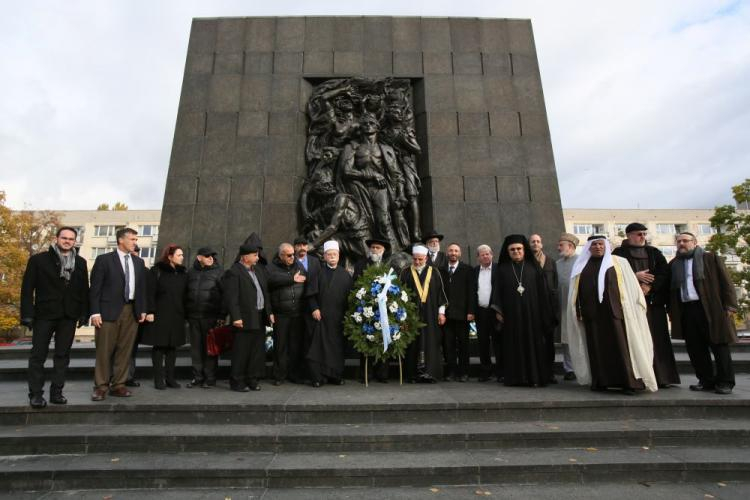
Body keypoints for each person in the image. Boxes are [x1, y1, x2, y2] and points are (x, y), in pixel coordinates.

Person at [565, 235, 657, 395]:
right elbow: (575, 292)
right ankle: (601, 381)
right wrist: (579, 312)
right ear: (588, 248)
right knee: (596, 349)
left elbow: (631, 287)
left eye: (601, 244)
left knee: (621, 349)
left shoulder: (619, 262)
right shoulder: (581, 265)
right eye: (594, 245)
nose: (598, 247)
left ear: (606, 245)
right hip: (592, 316)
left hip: (616, 315)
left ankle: (628, 383)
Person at [21, 227, 89, 409]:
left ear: (75, 241)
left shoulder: (81, 263)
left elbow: (84, 291)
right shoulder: (38, 260)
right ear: (56, 238)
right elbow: (27, 289)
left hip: (68, 315)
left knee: (62, 355)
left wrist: (84, 313)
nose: (67, 241)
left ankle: (57, 392)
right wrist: (27, 314)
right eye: (64, 238)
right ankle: (35, 394)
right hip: (44, 314)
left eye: (71, 239)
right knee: (38, 355)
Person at [668, 232, 738, 395]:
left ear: (695, 242)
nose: (682, 244)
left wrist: (730, 306)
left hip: (712, 309)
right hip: (687, 310)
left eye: (685, 241)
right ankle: (706, 380)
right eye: (679, 241)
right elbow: (670, 291)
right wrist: (671, 311)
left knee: (719, 346)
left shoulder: (710, 258)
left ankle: (725, 382)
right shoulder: (674, 264)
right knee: (695, 348)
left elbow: (726, 282)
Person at [613, 223, 680, 387]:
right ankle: (639, 378)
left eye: (644, 234)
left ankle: (662, 377)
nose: (642, 237)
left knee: (657, 339)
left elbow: (664, 273)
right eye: (638, 234)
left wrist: (650, 287)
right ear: (629, 235)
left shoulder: (654, 252)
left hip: (653, 304)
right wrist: (635, 278)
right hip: (630, 304)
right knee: (635, 339)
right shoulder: (617, 254)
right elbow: (613, 274)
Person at [89, 227, 148, 401]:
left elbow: (141, 288)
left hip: (132, 311)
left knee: (125, 350)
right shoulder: (104, 260)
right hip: (107, 311)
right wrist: (94, 312)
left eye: (136, 240)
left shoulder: (139, 262)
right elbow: (95, 289)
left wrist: (143, 309)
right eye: (133, 239)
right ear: (121, 240)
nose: (135, 242)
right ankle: (101, 387)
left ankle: (119, 385)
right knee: (104, 350)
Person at [491, 235, 554, 387]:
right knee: (513, 346)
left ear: (524, 250)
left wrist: (545, 313)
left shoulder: (534, 268)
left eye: (519, 249)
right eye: (512, 249)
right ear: (508, 251)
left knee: (534, 346)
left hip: (533, 316)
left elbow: (544, 293)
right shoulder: (503, 269)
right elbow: (497, 292)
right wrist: (498, 311)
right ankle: (516, 378)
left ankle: (534, 377)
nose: (516, 252)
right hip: (511, 317)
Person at [224, 243, 274, 392]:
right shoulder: (234, 272)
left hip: (259, 317)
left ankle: (252, 379)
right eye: (255, 255)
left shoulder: (258, 270)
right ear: (245, 257)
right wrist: (236, 317)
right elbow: (231, 298)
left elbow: (265, 293)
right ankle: (237, 381)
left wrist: (269, 312)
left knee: (256, 352)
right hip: (244, 319)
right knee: (241, 352)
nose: (257, 258)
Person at [305, 240, 353, 387]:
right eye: (329, 254)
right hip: (320, 318)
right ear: (324, 256)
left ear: (338, 256)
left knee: (336, 349)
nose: (332, 257)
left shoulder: (346, 275)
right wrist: (314, 309)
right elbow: (310, 294)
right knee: (317, 349)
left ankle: (335, 376)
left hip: (338, 319)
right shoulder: (317, 273)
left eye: (335, 254)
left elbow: (350, 298)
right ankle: (318, 378)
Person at [140, 244, 188, 389]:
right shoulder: (156, 271)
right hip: (160, 315)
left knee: (172, 348)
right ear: (170, 256)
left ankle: (170, 379)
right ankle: (158, 379)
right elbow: (150, 292)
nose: (182, 257)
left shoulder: (183, 273)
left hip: (177, 315)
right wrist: (150, 311)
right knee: (159, 347)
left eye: (182, 255)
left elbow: (185, 295)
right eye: (179, 255)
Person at [400, 244, 448, 383]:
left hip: (431, 314)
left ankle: (430, 373)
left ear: (426, 258)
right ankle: (413, 374)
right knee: (412, 343)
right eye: (415, 259)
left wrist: (441, 313)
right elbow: (398, 294)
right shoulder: (405, 272)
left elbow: (441, 294)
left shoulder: (435, 272)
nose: (417, 262)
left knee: (431, 342)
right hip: (410, 315)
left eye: (420, 259)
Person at [267, 243, 308, 385]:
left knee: (295, 345)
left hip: (297, 312)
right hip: (281, 313)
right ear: (281, 255)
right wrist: (291, 279)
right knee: (280, 346)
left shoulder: (299, 266)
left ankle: (294, 374)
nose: (292, 257)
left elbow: (305, 279)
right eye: (289, 255)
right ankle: (279, 375)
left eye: (293, 254)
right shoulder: (272, 268)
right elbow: (270, 281)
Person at [353, 238, 391, 383]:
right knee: (366, 339)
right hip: (366, 308)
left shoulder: (387, 266)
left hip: (384, 310)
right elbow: (356, 283)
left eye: (378, 248)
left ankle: (382, 374)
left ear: (383, 251)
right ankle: (366, 374)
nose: (374, 250)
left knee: (383, 339)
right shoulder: (361, 264)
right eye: (373, 247)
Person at [185, 247, 224, 388]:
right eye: (207, 256)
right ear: (199, 257)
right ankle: (197, 377)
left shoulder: (219, 272)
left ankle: (210, 378)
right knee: (195, 350)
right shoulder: (190, 273)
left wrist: (221, 316)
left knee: (209, 349)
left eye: (212, 256)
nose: (211, 258)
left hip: (210, 317)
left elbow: (224, 295)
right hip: (194, 317)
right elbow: (185, 294)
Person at [439, 243, 474, 382]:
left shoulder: (467, 269)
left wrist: (471, 311)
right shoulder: (441, 270)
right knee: (448, 345)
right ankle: (451, 371)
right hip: (447, 315)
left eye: (456, 251)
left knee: (464, 345)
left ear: (460, 254)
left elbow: (471, 292)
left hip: (463, 315)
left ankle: (464, 372)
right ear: (447, 253)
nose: (453, 253)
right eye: (451, 250)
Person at [529, 233, 560, 383]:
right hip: (532, 308)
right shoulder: (526, 263)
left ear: (542, 244)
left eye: (538, 241)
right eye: (533, 241)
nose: (535, 243)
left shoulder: (551, 262)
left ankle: (550, 372)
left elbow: (555, 285)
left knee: (548, 342)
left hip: (548, 308)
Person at [471, 244, 501, 382]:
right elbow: (472, 292)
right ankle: (486, 370)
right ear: (478, 258)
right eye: (482, 254)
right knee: (482, 342)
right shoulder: (474, 271)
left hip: (495, 312)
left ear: (492, 255)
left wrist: (500, 310)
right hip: (481, 312)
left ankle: (501, 371)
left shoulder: (499, 269)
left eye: (488, 253)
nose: (485, 256)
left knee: (498, 342)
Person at [555, 232, 579, 381]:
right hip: (562, 307)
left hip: (577, 307)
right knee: (566, 340)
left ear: (570, 246)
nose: (558, 248)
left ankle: (581, 367)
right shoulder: (557, 264)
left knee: (579, 338)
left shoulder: (581, 261)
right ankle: (569, 369)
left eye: (561, 245)